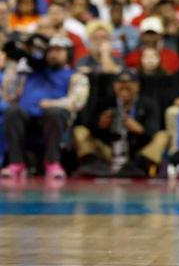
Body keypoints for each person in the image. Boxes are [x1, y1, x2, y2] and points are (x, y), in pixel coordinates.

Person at [0, 35, 89, 181]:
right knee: (12, 111)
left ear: (69, 53)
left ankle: (52, 162)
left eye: (59, 51)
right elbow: (8, 96)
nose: (53, 54)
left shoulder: (76, 76)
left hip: (53, 119)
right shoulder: (29, 73)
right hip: (26, 119)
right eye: (51, 51)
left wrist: (53, 103)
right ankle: (16, 163)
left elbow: (78, 101)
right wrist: (13, 64)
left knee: (54, 112)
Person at [73, 69, 166, 178]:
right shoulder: (104, 103)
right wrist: (100, 125)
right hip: (108, 150)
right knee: (79, 131)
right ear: (114, 86)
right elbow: (89, 127)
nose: (124, 87)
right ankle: (93, 165)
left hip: (137, 152)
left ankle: (138, 167)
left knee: (163, 136)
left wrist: (139, 129)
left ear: (138, 86)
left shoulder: (148, 104)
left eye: (129, 83)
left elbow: (154, 130)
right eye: (120, 83)